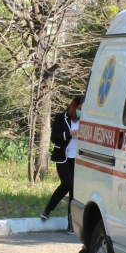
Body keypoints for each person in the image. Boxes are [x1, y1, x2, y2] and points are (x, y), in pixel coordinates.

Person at [41, 95, 83, 232]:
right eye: (79, 109)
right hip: (63, 157)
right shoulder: (61, 117)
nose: (80, 112)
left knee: (74, 190)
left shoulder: (86, 121)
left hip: (79, 159)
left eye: (83, 110)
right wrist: (70, 133)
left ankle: (71, 223)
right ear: (74, 106)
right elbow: (54, 138)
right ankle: (48, 208)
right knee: (68, 184)